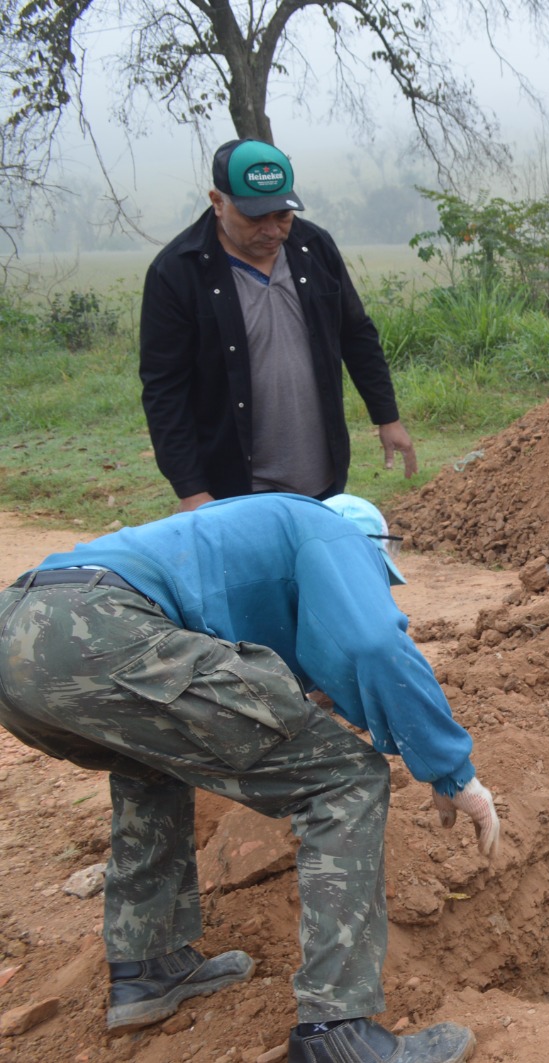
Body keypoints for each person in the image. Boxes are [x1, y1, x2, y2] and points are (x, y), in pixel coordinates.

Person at [0, 493, 497, 1063]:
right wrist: (451, 771)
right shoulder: (331, 532)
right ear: (372, 546)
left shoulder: (238, 544)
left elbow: (274, 674)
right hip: (97, 630)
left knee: (157, 762)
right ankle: (337, 1032)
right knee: (346, 779)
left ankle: (148, 965)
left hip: (18, 635)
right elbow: (374, 641)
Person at [140, 138, 419, 513]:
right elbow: (165, 389)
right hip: (233, 485)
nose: (272, 231)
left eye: (282, 216)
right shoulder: (177, 272)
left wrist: (388, 417)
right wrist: (190, 489)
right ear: (218, 202)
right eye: (255, 218)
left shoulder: (314, 248)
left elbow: (356, 335)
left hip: (321, 476)